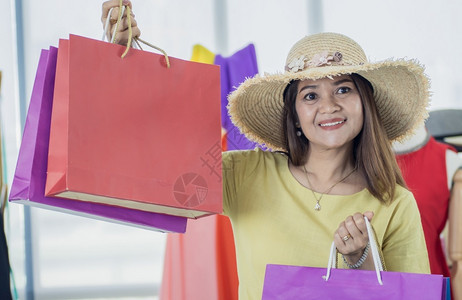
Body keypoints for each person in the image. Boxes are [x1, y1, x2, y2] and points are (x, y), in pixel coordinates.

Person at [101, 1, 431, 299]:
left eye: (343, 89)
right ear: (295, 116)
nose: (329, 106)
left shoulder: (395, 205)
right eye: (311, 95)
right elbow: (151, 173)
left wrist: (362, 261)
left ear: (365, 104)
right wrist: (124, 64)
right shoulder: (245, 173)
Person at [393, 123, 462, 299]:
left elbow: (458, 256)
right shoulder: (357, 159)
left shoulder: (447, 159)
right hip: (373, 278)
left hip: (429, 277)